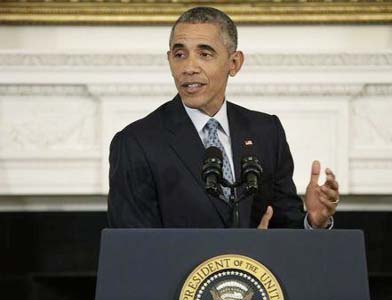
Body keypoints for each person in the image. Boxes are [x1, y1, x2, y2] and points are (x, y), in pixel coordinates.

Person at [107, 7, 339, 229]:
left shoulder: (266, 132)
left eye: (204, 54)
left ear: (234, 63)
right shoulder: (135, 143)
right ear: (169, 60)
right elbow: (134, 246)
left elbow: (284, 224)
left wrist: (313, 222)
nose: (189, 67)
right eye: (180, 54)